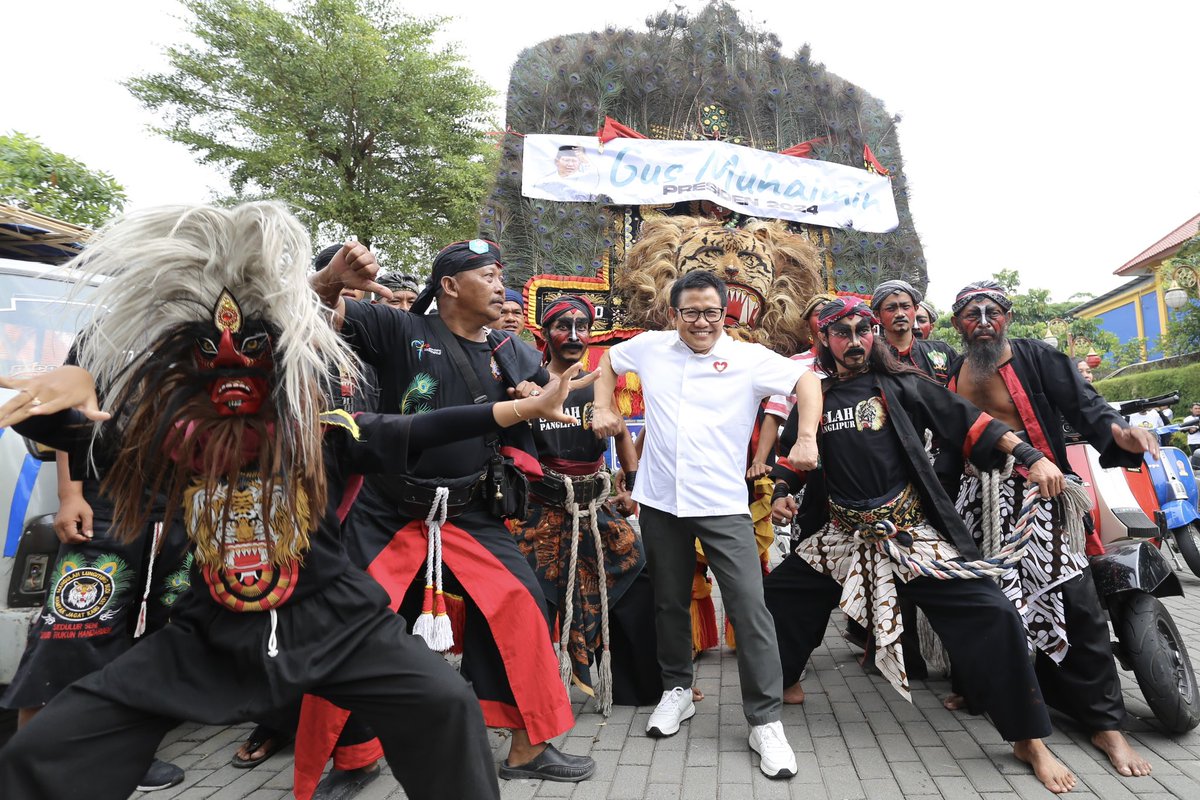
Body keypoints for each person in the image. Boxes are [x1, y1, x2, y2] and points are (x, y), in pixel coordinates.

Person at [0, 202, 582, 800]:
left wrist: (524, 407)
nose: (234, 370)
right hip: (209, 633)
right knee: (46, 749)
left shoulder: (325, 433)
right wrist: (72, 387)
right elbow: (76, 432)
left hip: (339, 624)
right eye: (212, 358)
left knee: (445, 703)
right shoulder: (176, 442)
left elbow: (425, 426)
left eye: (254, 352)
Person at [301, 238, 595, 785]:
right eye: (488, 276)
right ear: (450, 286)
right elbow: (308, 313)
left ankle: (529, 748)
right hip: (388, 510)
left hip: (468, 510)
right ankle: (353, 758)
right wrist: (332, 278)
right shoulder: (398, 329)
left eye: (501, 275)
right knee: (354, 622)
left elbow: (554, 396)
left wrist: (577, 405)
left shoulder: (509, 348)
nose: (501, 287)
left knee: (522, 604)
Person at [766, 297, 1079, 794]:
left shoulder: (903, 385)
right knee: (781, 596)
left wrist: (1031, 456)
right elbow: (791, 458)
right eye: (842, 332)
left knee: (993, 613)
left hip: (909, 535)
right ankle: (782, 678)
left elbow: (973, 423)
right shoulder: (816, 397)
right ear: (823, 339)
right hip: (843, 536)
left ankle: (1028, 739)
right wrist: (783, 491)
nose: (855, 340)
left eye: (863, 329)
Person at [591, 270, 821, 779]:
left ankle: (765, 720)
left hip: (722, 503)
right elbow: (608, 361)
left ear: (724, 313)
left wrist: (806, 437)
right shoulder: (651, 347)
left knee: (749, 607)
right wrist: (603, 406)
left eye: (711, 312)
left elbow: (806, 380)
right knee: (668, 600)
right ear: (674, 314)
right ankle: (676, 689)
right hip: (660, 501)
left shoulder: (747, 357)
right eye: (691, 312)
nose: (701, 322)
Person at [944, 279, 1156, 779]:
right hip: (976, 501)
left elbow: (1087, 405)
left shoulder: (1037, 357)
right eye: (972, 315)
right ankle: (987, 696)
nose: (983, 322)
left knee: (1075, 600)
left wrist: (1120, 434)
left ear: (1008, 317)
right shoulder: (953, 373)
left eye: (992, 312)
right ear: (957, 324)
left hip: (1043, 493)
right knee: (989, 604)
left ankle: (1106, 725)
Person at [0, 344, 191, 793]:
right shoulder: (104, 334)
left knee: (153, 640)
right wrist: (70, 496)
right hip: (108, 510)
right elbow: (72, 416)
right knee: (68, 636)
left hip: (178, 514)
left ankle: (125, 754)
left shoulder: (196, 327)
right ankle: (32, 772)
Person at [513, 295, 659, 710]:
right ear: (545, 333)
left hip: (596, 508)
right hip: (540, 510)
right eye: (564, 326)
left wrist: (631, 486)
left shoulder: (600, 383)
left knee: (637, 572)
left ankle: (641, 685)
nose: (575, 335)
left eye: (583, 327)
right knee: (527, 592)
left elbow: (622, 434)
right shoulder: (527, 384)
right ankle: (525, 692)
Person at [871, 279, 956, 385]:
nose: (900, 314)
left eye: (905, 307)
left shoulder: (942, 351)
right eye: (891, 308)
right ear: (877, 315)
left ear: (915, 309)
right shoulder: (872, 356)